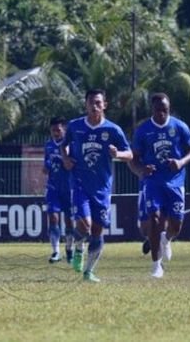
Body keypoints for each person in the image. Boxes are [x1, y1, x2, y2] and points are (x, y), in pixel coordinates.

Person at [61, 89, 132, 282]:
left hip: (102, 187)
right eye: (91, 102)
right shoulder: (75, 126)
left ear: (104, 105)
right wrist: (66, 158)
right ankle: (77, 247)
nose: (95, 106)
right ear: (85, 104)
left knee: (97, 230)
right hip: (79, 183)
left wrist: (118, 154)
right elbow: (63, 144)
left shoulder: (113, 130)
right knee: (85, 224)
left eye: (98, 103)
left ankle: (89, 271)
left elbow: (130, 154)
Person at [129, 93, 190, 278]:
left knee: (176, 226)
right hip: (152, 182)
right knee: (155, 220)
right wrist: (141, 169)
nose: (161, 113)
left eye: (165, 110)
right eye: (158, 110)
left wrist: (181, 162)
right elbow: (133, 159)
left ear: (169, 109)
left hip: (175, 182)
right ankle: (156, 266)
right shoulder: (143, 130)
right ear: (152, 110)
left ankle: (166, 239)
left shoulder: (179, 126)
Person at [43, 117, 74, 264]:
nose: (56, 133)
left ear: (64, 130)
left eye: (58, 130)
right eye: (53, 130)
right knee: (53, 217)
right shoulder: (48, 145)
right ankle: (56, 251)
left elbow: (72, 164)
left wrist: (64, 159)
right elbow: (46, 164)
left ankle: (69, 248)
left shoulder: (70, 145)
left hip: (68, 188)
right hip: (53, 188)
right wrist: (46, 167)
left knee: (69, 221)